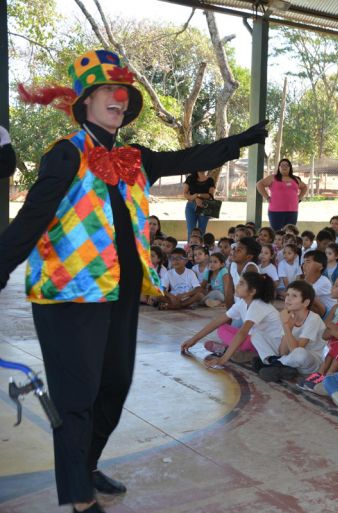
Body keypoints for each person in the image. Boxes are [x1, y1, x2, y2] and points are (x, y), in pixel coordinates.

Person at [2, 49, 268, 512]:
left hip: (121, 293)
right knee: (76, 396)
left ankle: (85, 465)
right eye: (108, 90)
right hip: (69, 295)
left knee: (113, 388)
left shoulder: (134, 157)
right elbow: (30, 220)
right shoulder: (65, 155)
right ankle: (79, 499)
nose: (118, 98)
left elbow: (189, 157)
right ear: (85, 100)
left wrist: (239, 140)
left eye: (122, 92)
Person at [181, 272, 281, 368]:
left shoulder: (257, 305)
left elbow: (242, 333)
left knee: (245, 340)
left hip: (270, 344)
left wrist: (222, 360)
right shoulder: (242, 303)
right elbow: (218, 321)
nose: (237, 286)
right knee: (222, 329)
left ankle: (232, 351)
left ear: (252, 291)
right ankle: (234, 351)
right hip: (254, 339)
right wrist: (194, 339)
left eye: (241, 284)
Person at [257, 158, 308, 231]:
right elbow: (259, 184)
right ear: (279, 167)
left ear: (290, 167)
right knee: (276, 233)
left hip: (292, 211)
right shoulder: (273, 177)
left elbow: (304, 187)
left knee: (290, 233)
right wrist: (267, 197)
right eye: (282, 165)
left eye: (287, 165)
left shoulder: (295, 179)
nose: (284, 167)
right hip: (276, 211)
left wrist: (299, 198)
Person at [183, 169, 215, 239]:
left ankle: (200, 249)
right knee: (190, 230)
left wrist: (198, 195)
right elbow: (185, 194)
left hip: (204, 206)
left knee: (202, 230)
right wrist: (195, 198)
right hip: (191, 206)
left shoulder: (210, 180)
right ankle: (190, 249)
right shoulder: (190, 178)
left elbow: (210, 195)